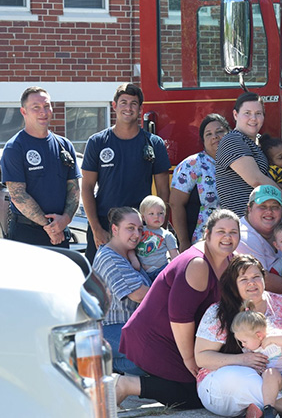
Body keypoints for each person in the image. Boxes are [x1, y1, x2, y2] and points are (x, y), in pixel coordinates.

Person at [115, 209, 242, 409]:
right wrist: (190, 359)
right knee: (196, 396)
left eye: (233, 232)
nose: (227, 237)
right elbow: (180, 317)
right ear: (207, 234)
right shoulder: (198, 264)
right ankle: (126, 385)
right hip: (155, 337)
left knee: (210, 389)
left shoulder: (230, 260)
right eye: (221, 231)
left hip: (180, 338)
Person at [193, 255, 282, 417]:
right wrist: (242, 360)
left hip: (281, 376)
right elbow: (201, 357)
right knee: (242, 379)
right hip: (233, 380)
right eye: (243, 279)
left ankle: (263, 409)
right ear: (233, 285)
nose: (251, 283)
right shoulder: (218, 312)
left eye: (256, 277)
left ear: (264, 279)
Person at [82, 83, 170, 263]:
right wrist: (96, 228)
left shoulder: (154, 143)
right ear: (114, 106)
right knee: (99, 284)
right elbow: (87, 188)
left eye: (133, 103)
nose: (128, 108)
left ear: (140, 108)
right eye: (123, 102)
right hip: (105, 225)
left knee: (141, 280)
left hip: (140, 228)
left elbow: (163, 191)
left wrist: (158, 227)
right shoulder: (97, 142)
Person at [1, 86, 80, 248]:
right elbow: (18, 195)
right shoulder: (15, 147)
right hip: (27, 233)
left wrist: (64, 220)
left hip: (61, 229)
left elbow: (74, 189)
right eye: (35, 107)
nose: (43, 111)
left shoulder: (64, 145)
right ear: (24, 112)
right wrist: (50, 226)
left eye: (46, 106)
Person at [91, 206, 150, 375]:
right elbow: (138, 294)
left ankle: (109, 366)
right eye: (130, 228)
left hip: (130, 328)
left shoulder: (129, 254)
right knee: (153, 360)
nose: (137, 234)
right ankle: (106, 367)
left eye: (140, 229)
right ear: (115, 229)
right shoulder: (110, 257)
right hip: (111, 328)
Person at [216, 92, 282, 217]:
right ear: (235, 115)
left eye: (258, 113)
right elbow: (257, 180)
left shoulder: (259, 142)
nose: (253, 118)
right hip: (243, 223)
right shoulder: (232, 140)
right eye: (247, 113)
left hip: (264, 220)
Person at [230, 307, 282, 418]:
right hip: (278, 386)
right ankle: (269, 409)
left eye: (244, 341)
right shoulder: (251, 349)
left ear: (259, 335)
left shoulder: (274, 334)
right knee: (269, 373)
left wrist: (272, 339)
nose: (243, 345)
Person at [170, 113, 230, 251]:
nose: (214, 136)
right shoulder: (192, 164)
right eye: (208, 134)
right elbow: (175, 203)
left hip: (234, 240)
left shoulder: (240, 162)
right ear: (203, 140)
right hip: (201, 243)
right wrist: (184, 242)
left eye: (219, 131)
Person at [237, 185, 282, 292]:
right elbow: (264, 279)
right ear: (249, 209)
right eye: (262, 206)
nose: (269, 211)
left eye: (275, 207)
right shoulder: (245, 236)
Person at [137, 195, 179, 280]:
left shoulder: (167, 235)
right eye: (151, 214)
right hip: (142, 271)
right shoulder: (139, 231)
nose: (156, 216)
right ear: (143, 217)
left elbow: (174, 254)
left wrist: (176, 271)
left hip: (161, 270)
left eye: (160, 213)